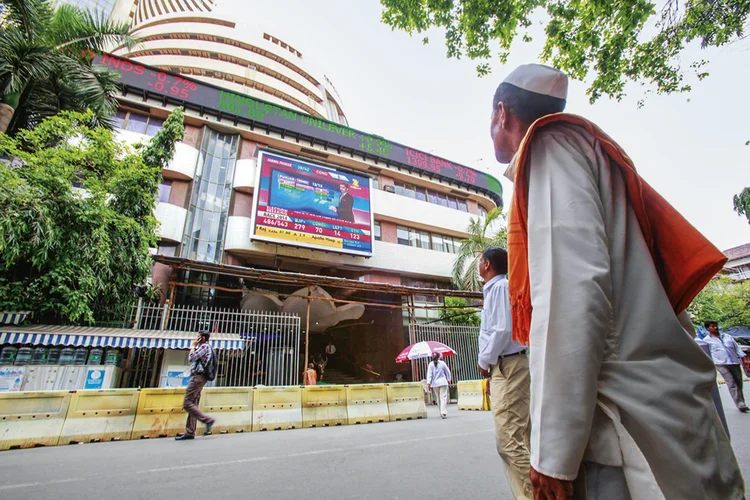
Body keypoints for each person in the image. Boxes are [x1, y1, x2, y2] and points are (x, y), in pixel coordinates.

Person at [491, 64, 744, 498]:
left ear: (501, 114)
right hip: (664, 405)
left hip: (627, 422)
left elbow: (572, 295)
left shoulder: (550, 144)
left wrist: (552, 454)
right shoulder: (593, 154)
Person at [477, 246, 532, 500]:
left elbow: (500, 330)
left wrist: (484, 361)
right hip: (506, 365)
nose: (478, 263)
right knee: (521, 438)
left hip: (507, 365)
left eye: (480, 259)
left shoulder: (499, 288)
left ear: (487, 264)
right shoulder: (495, 289)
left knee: (508, 442)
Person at [175, 330, 215, 440]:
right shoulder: (206, 347)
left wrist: (193, 346)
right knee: (194, 404)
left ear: (202, 338)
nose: (196, 338)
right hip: (200, 378)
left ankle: (207, 420)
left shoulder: (204, 347)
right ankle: (190, 431)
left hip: (198, 378)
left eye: (198, 336)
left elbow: (191, 358)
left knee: (187, 403)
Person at [703, 320, 748, 412]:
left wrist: (744, 357)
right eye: (712, 326)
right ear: (708, 328)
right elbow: (708, 354)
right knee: (731, 383)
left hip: (734, 362)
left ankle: (741, 401)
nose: (715, 328)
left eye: (716, 326)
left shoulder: (727, 337)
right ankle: (740, 404)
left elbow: (737, 348)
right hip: (721, 364)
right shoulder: (707, 341)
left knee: (739, 382)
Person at [426, 352, 452, 419]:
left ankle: (441, 411)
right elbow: (447, 371)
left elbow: (429, 374)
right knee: (443, 397)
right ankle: (443, 412)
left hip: (435, 384)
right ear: (438, 357)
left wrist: (428, 383)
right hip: (443, 382)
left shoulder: (430, 364)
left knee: (438, 398)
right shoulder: (442, 363)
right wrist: (449, 379)